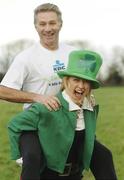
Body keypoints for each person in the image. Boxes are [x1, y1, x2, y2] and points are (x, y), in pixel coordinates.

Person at [8, 50, 117, 180]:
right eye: (76, 80)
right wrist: (23, 158)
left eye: (86, 81)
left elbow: (87, 139)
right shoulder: (48, 106)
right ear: (66, 81)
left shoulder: (89, 108)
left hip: (74, 175)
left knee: (105, 154)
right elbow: (14, 125)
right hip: (47, 176)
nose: (81, 86)